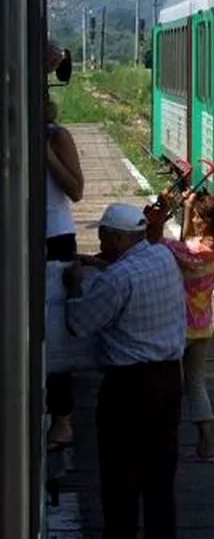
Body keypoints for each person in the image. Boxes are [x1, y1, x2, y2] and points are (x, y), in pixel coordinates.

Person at [63, 202, 187, 539]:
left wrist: (75, 284)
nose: (100, 244)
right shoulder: (162, 257)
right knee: (161, 475)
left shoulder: (118, 278)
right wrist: (96, 263)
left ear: (117, 238)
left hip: (129, 387)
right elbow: (125, 266)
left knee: (121, 477)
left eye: (103, 237)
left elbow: (80, 323)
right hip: (169, 380)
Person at [152, 189, 214, 462]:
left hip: (179, 328)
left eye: (199, 216)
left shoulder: (192, 251)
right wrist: (188, 208)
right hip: (203, 327)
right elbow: (188, 242)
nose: (196, 220)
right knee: (196, 385)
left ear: (206, 222)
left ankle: (168, 443)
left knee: (170, 388)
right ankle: (207, 445)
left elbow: (157, 241)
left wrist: (163, 209)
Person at [45, 88, 84, 451]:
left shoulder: (57, 136)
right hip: (24, 233)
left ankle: (62, 418)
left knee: (55, 328)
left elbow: (76, 190)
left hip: (53, 237)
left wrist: (46, 157)